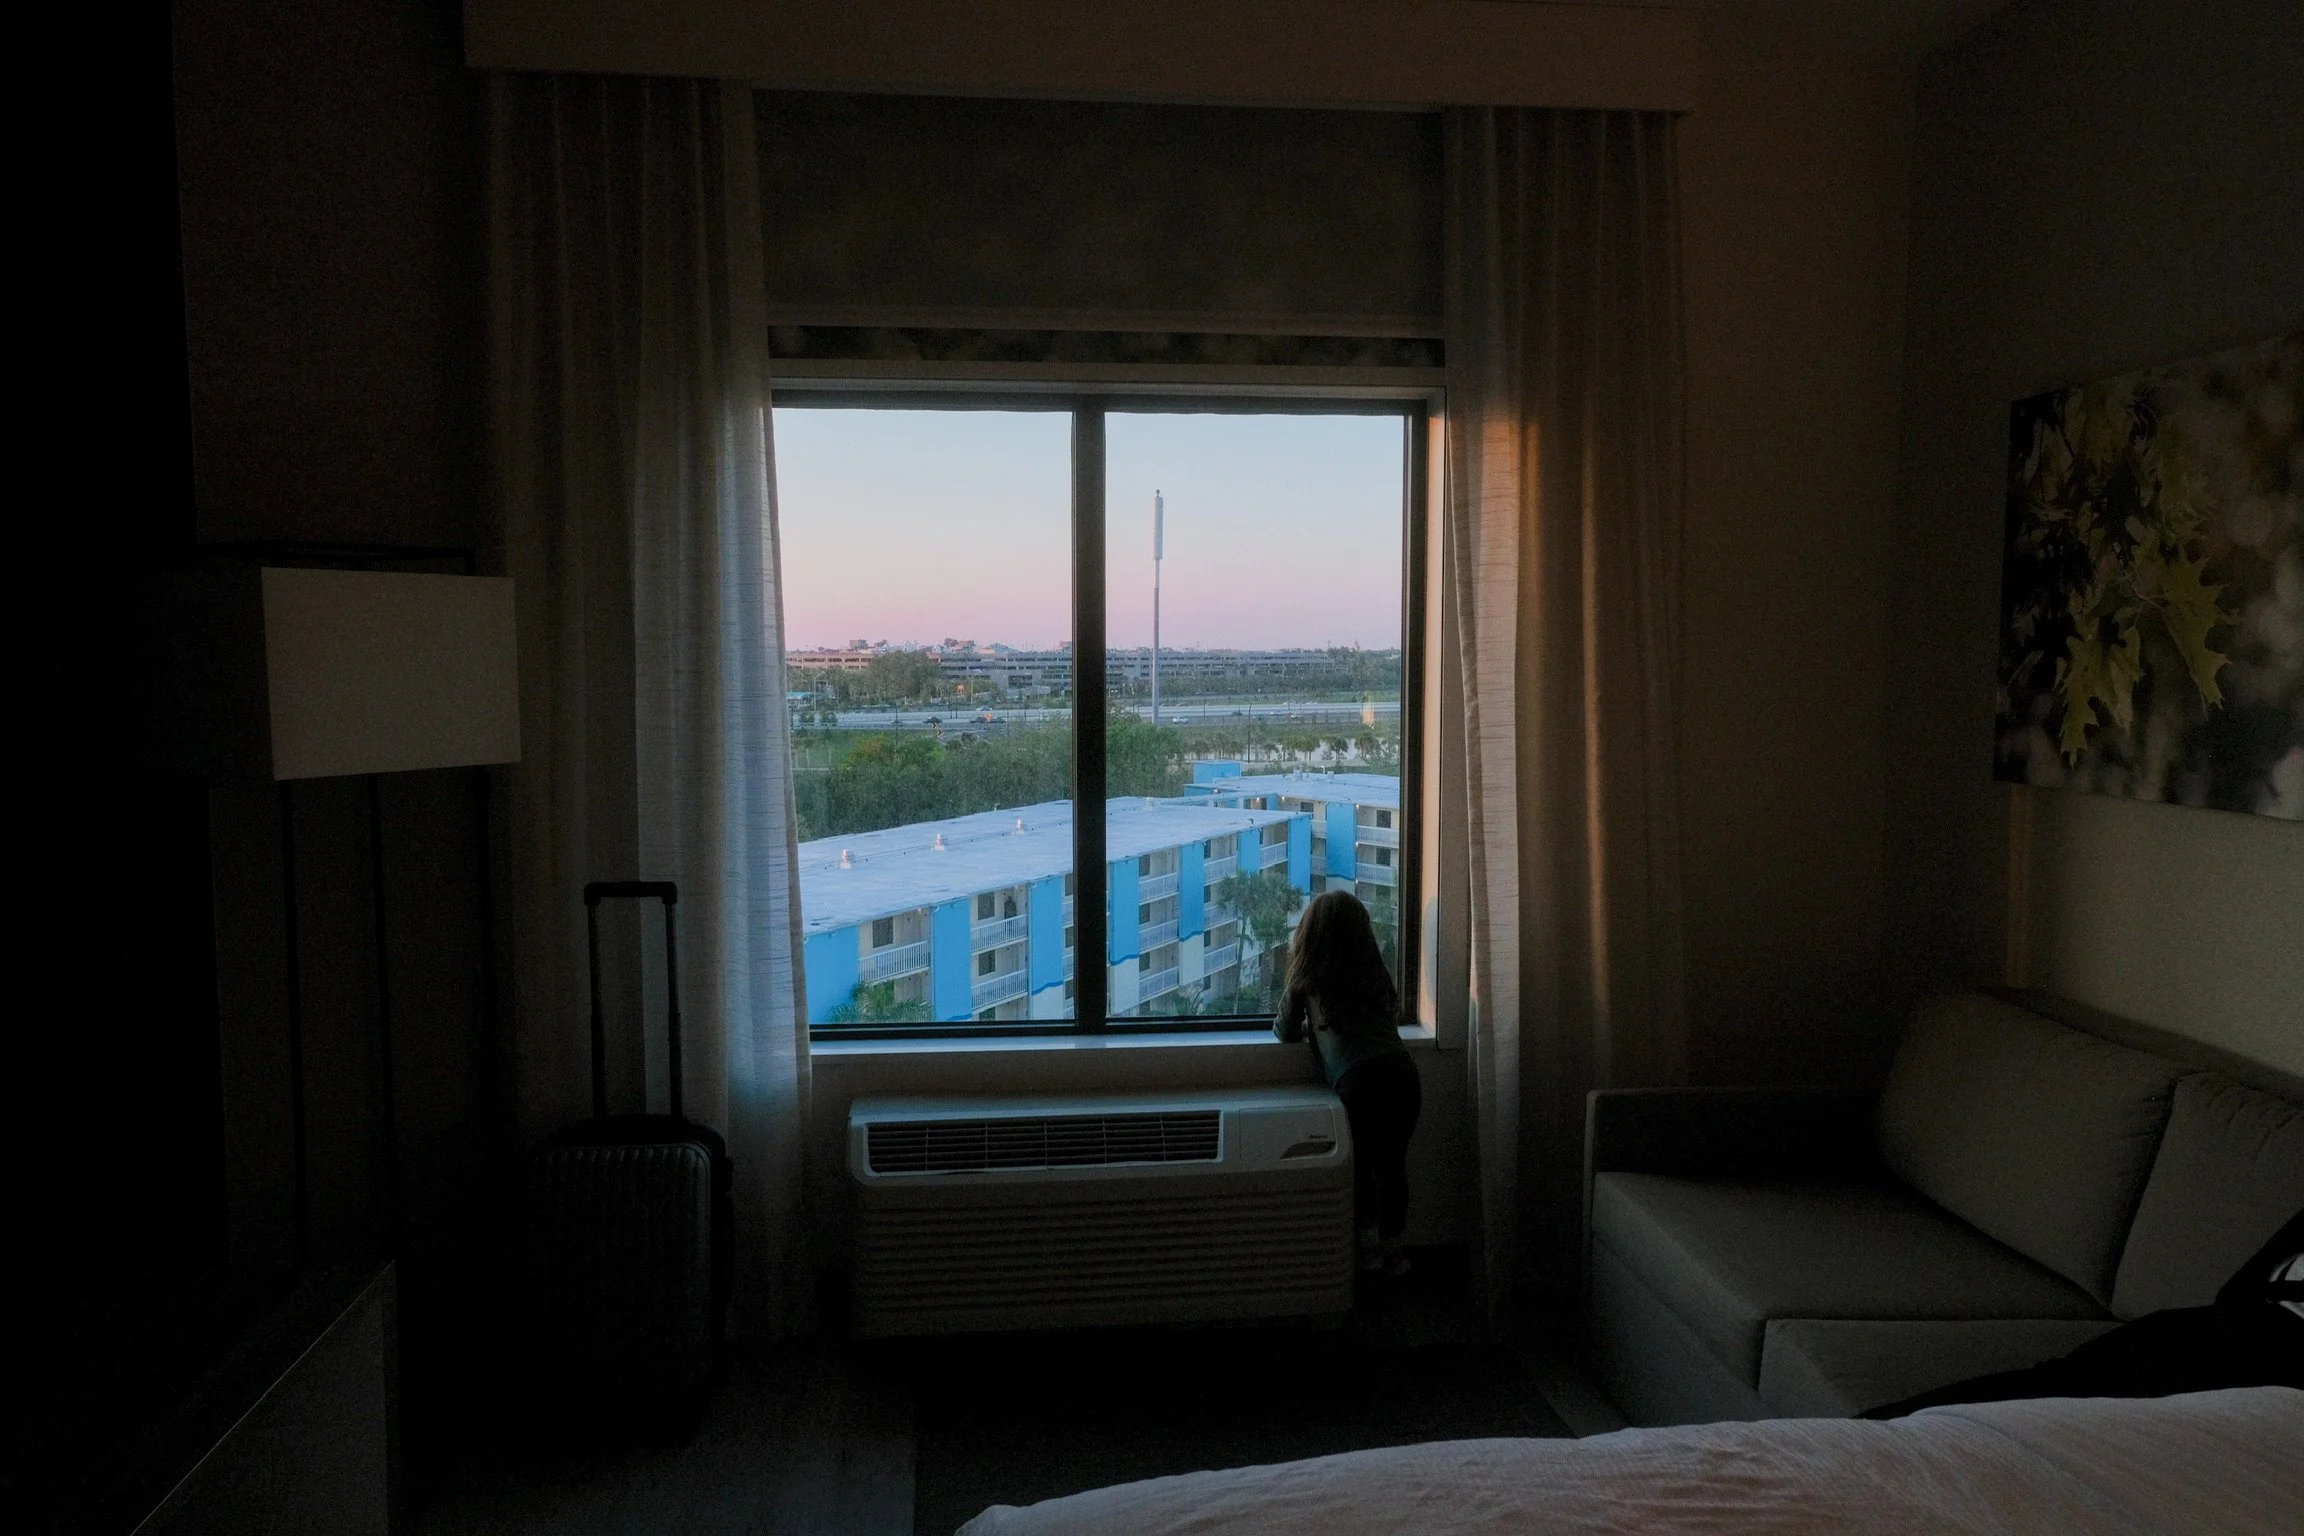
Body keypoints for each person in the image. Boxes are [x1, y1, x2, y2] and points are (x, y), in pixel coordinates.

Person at [1864, 1205, 2304, 1418]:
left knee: (2046, 1417)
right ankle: (1853, 1437)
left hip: (2248, 1383)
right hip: (2195, 1333)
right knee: (2040, 1384)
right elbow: (2239, 1289)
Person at [1274, 890, 1419, 1277]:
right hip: (1402, 1075)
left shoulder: (1308, 979)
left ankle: (1367, 1254)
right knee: (1393, 1168)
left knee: (1360, 1171)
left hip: (1358, 1083)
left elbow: (1283, 1031)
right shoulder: (1375, 974)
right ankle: (1395, 1254)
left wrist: (1311, 1026)